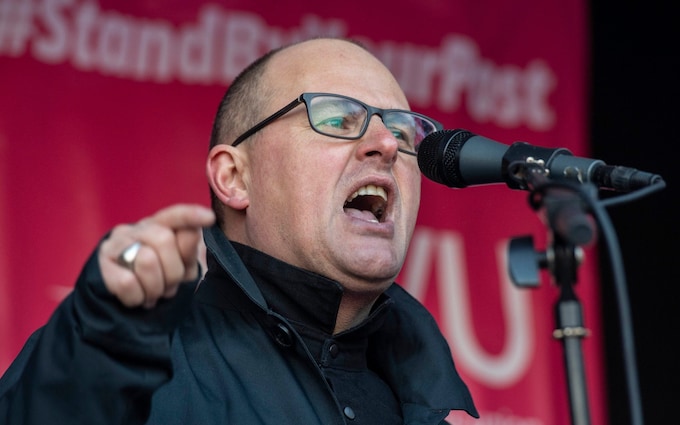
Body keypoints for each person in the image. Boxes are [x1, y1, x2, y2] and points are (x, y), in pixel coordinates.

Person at [0, 37, 479, 424]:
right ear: (234, 177)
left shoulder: (425, 401)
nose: (385, 146)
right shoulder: (127, 362)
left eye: (400, 132)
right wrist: (98, 333)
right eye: (337, 118)